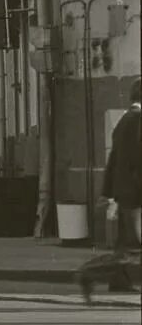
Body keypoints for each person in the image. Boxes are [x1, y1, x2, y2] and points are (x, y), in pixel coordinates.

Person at [78, 78, 141, 302]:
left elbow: (114, 159)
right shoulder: (137, 120)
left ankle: (117, 281)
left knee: (126, 246)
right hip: (135, 195)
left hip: (125, 193)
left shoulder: (125, 120)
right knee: (132, 248)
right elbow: (137, 160)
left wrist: (108, 191)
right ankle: (88, 272)